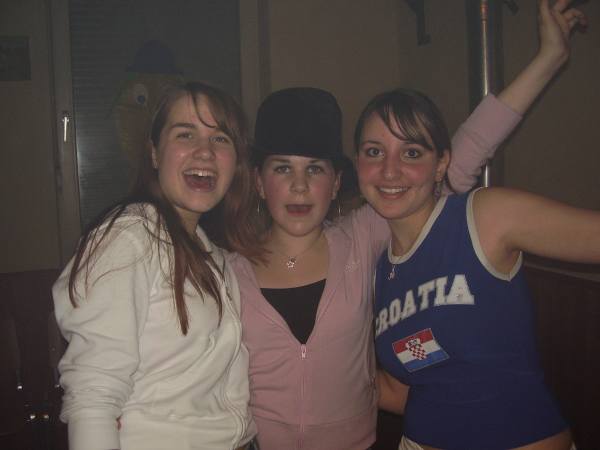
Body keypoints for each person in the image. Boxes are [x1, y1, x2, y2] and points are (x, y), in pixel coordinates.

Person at [226, 2, 584, 449]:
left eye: (315, 169)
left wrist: (547, 60)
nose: (299, 186)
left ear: (336, 182)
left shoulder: (365, 234)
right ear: (259, 181)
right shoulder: (228, 272)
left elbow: (461, 153)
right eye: (282, 168)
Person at [355, 12, 596, 450]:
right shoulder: (374, 269)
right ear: (357, 164)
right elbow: (402, 389)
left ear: (441, 164)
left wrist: (550, 56)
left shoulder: (482, 218)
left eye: (411, 152)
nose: (390, 170)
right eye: (374, 151)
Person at [53, 82, 257, 450]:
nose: (205, 151)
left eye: (220, 138)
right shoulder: (130, 236)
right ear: (154, 153)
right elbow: (93, 396)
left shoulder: (213, 254)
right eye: (185, 134)